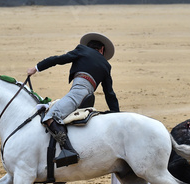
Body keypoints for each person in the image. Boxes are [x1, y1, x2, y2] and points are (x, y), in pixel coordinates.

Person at [27, 32, 120, 167]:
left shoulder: (82, 50)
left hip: (78, 91)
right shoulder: (106, 65)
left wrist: (36, 68)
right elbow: (109, 93)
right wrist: (116, 114)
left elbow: (58, 59)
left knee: (50, 116)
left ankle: (68, 151)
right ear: (102, 50)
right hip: (88, 94)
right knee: (65, 120)